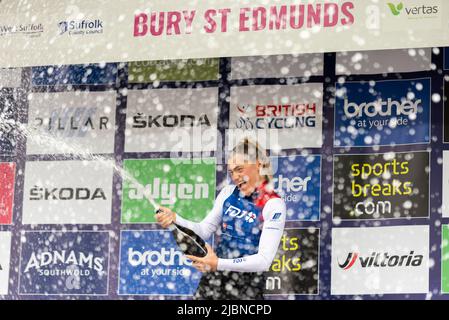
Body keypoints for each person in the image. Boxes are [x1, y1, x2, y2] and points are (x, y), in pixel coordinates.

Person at [155, 138, 286, 300]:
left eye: (239, 169)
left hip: (247, 288)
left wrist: (218, 263)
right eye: (231, 172)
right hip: (214, 281)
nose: (235, 177)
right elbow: (204, 231)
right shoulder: (228, 193)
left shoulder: (273, 203)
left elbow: (263, 261)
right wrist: (175, 218)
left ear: (258, 164)